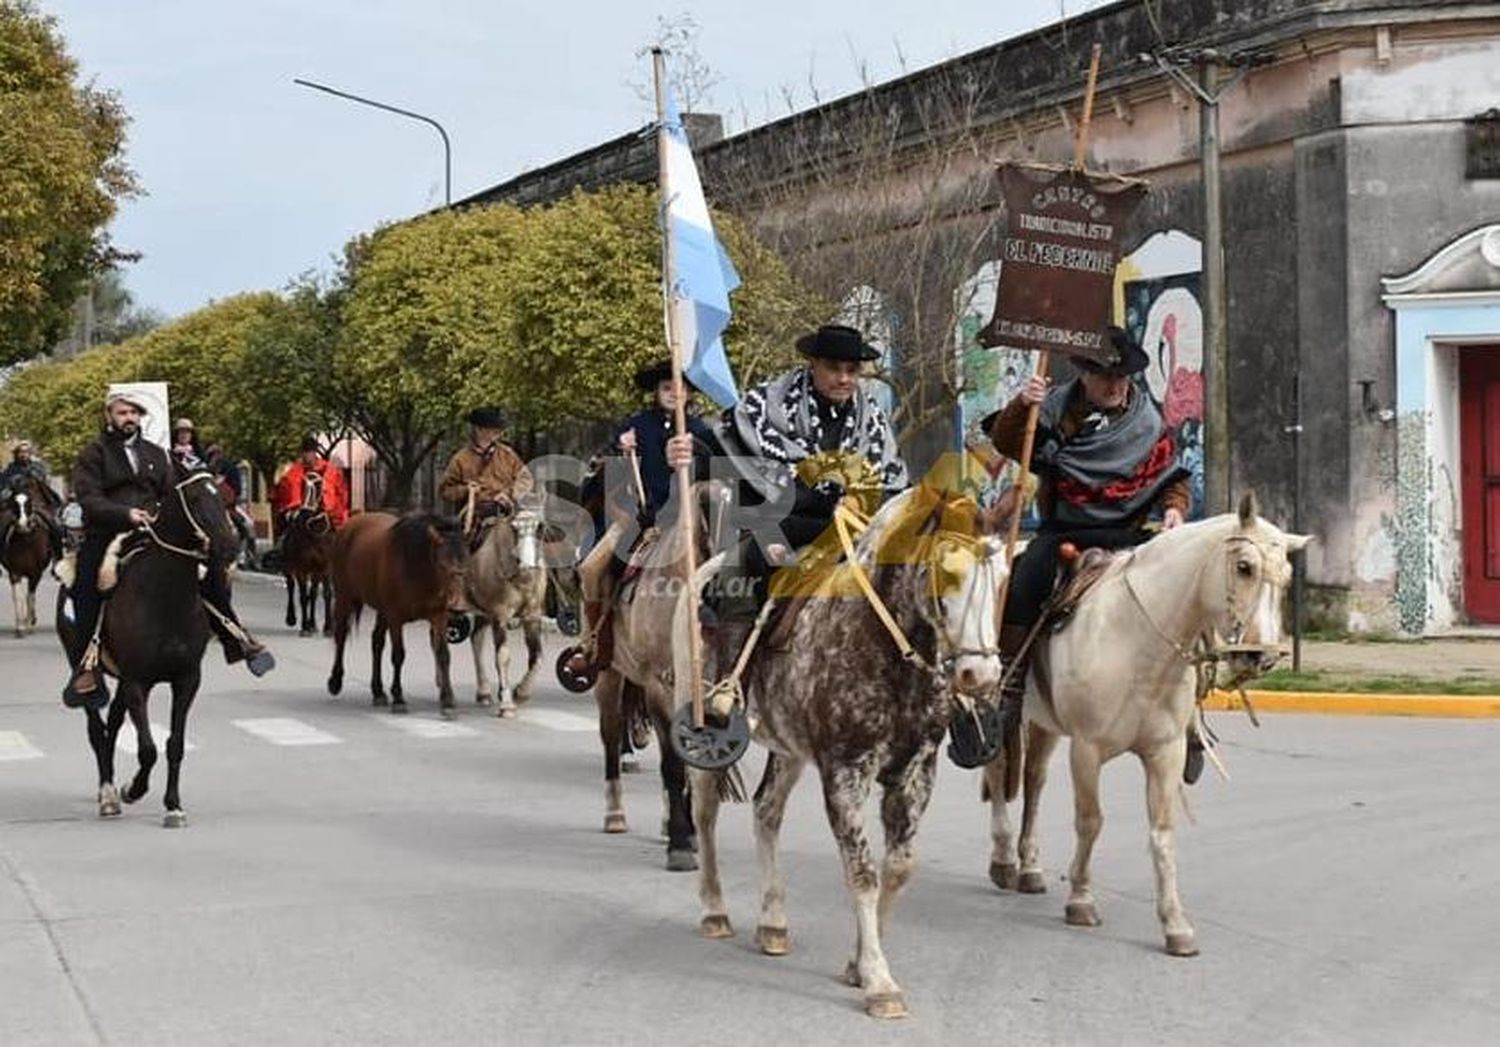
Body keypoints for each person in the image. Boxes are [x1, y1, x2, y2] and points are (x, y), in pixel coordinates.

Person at [985, 326, 1201, 779]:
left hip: (1128, 533)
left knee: (1186, 587)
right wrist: (1024, 402)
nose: (1115, 385)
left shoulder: (1146, 421)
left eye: (1122, 377)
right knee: (1024, 581)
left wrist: (1175, 511)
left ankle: (1193, 711)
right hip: (1065, 532)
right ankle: (1009, 689)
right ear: (1083, 373)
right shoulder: (1054, 408)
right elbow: (1008, 443)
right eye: (1105, 376)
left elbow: (1174, 476)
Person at [666, 323, 909, 661]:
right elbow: (719, 451)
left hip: (856, 531)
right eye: (834, 368)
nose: (844, 379)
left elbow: (892, 480)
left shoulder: (874, 422)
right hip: (779, 521)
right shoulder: (764, 406)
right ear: (813, 365)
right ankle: (730, 675)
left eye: (852, 370)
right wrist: (685, 454)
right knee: (741, 568)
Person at [62, 391, 274, 709]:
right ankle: (87, 665)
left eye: (134, 412)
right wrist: (126, 514)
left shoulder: (157, 454)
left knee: (207, 568)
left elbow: (177, 492)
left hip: (155, 531)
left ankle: (236, 637)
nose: (129, 418)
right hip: (108, 531)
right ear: (110, 415)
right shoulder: (94, 454)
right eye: (122, 412)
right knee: (86, 583)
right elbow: (88, 497)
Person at [571, 360, 714, 673]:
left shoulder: (703, 432)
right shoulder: (634, 426)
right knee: (591, 568)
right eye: (666, 387)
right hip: (639, 520)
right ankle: (596, 641)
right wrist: (618, 453)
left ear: (689, 393)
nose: (673, 393)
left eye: (680, 388)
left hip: (688, 520)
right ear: (656, 392)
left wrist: (696, 459)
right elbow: (596, 474)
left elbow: (719, 472)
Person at [439, 408, 533, 546]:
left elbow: (526, 479)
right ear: (478, 430)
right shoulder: (460, 459)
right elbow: (445, 490)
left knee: (535, 531)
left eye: (497, 430)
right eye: (492, 429)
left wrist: (509, 494)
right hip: (478, 511)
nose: (497, 433)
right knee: (464, 543)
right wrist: (466, 490)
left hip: (509, 507)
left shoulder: (508, 454)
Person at [271, 437, 350, 530]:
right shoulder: (293, 473)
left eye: (308, 452)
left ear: (314, 452)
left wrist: (339, 515)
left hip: (328, 515)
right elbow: (281, 493)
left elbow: (342, 494)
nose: (305, 455)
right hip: (298, 515)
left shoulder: (331, 471)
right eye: (304, 452)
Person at [1, 440, 64, 556]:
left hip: (36, 505)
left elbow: (45, 486)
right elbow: (3, 489)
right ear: (16, 453)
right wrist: (10, 489)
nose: (24, 454)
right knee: (2, 526)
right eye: (21, 452)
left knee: (56, 526)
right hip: (14, 507)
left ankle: (58, 557)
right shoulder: (9, 471)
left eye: (26, 452)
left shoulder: (38, 468)